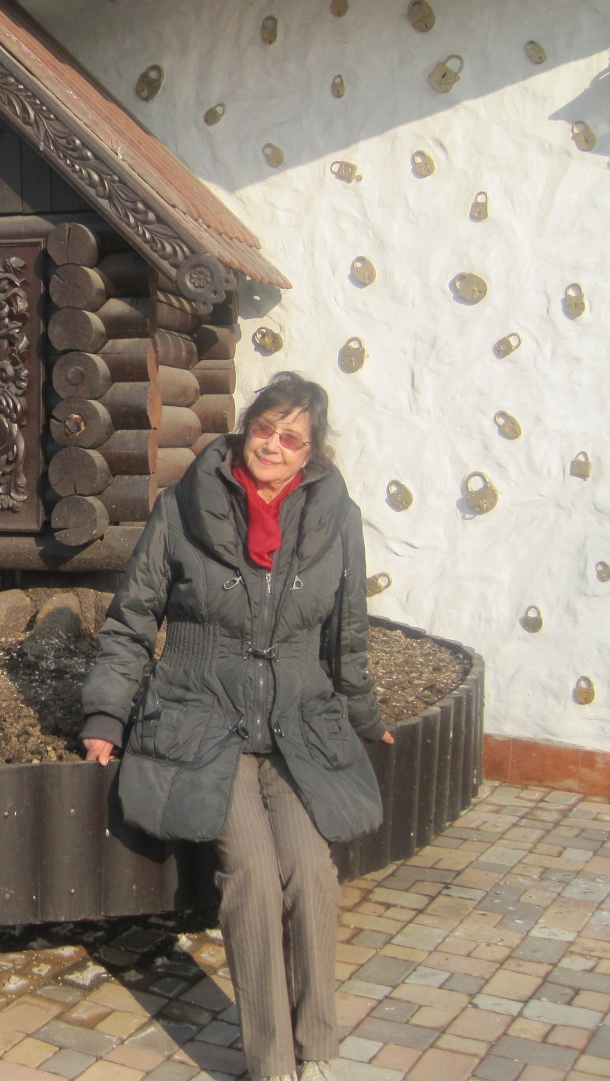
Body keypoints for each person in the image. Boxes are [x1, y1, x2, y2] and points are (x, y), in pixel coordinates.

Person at [80, 372, 392, 1081]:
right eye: (265, 428)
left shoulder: (336, 516)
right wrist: (106, 712)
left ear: (311, 452)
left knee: (312, 870)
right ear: (246, 425)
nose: (274, 446)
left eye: (292, 438)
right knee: (250, 871)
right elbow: (132, 619)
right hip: (201, 716)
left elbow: (347, 633)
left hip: (295, 723)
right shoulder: (182, 506)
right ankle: (272, 1062)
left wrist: (366, 716)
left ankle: (317, 1048)